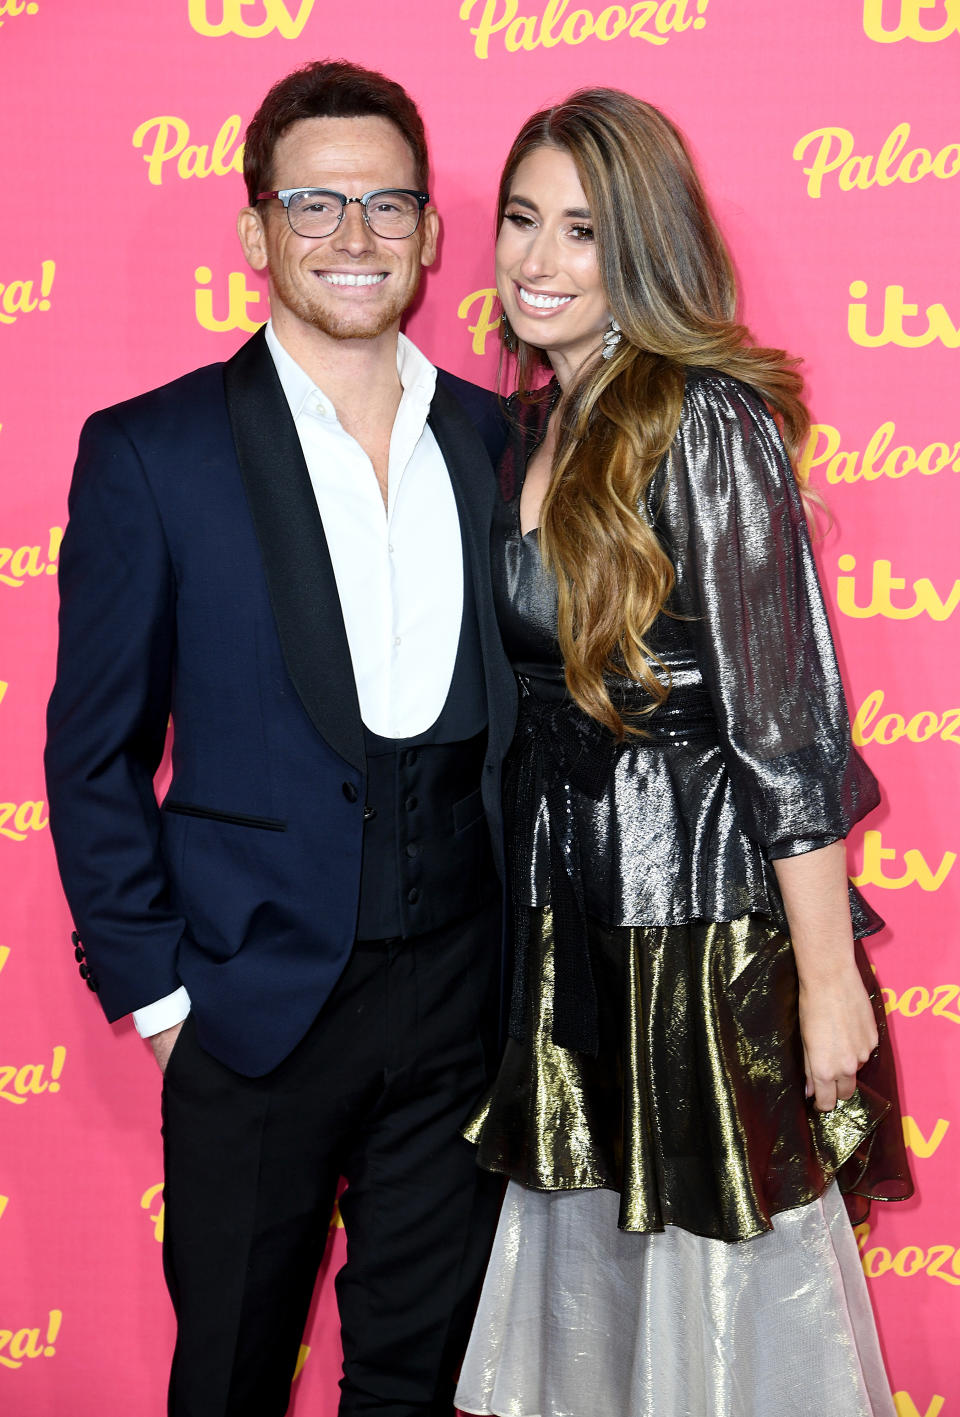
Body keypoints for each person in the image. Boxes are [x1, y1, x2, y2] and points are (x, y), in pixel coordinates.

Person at [44, 60, 516, 1417]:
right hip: (250, 1014)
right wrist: (164, 1005)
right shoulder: (154, 453)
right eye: (315, 203)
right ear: (256, 233)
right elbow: (94, 755)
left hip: (464, 1009)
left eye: (386, 203)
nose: (354, 237)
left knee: (417, 1381)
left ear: (432, 233)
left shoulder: (503, 443)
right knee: (231, 1379)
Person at [453, 89, 912, 1417]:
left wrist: (829, 985)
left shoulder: (703, 420)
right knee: (603, 1298)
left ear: (642, 250)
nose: (537, 261)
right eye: (521, 221)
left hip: (695, 930)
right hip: (573, 927)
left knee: (720, 1302)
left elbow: (786, 724)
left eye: (583, 231)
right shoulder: (539, 424)